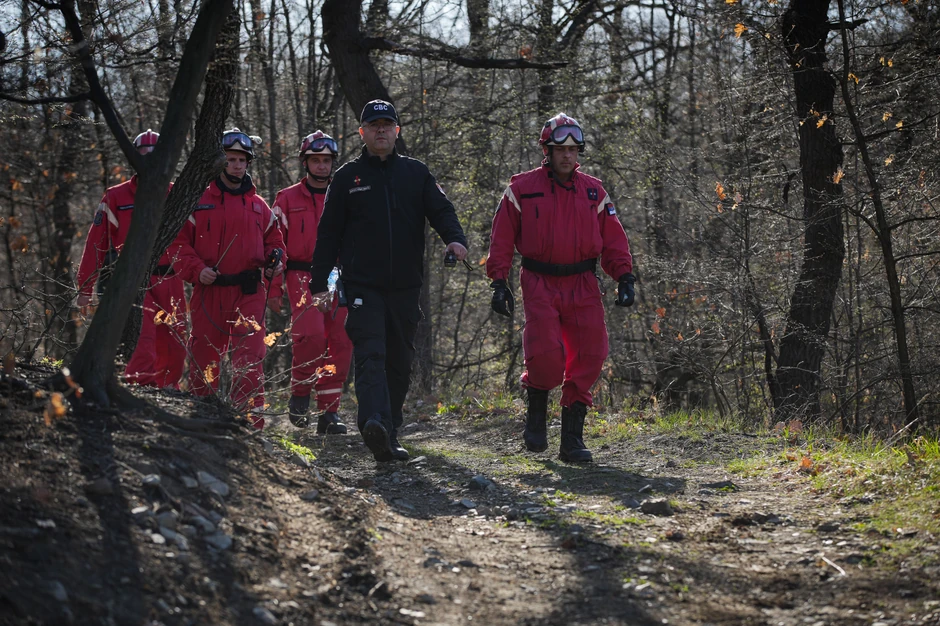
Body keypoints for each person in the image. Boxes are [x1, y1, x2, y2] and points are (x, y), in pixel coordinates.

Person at [309, 99, 468, 462]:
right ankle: (373, 423)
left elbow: (441, 210)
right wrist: (320, 283)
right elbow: (328, 234)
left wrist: (455, 239)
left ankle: (389, 430)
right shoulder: (347, 178)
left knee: (399, 361)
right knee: (371, 354)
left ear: (397, 131)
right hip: (363, 286)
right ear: (362, 132)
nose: (381, 130)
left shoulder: (416, 173)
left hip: (406, 287)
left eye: (387, 124)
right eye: (373, 125)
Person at [486, 113, 635, 463]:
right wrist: (499, 282)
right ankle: (536, 409)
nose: (567, 156)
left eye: (572, 149)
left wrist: (624, 277)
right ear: (547, 151)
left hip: (583, 282)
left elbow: (614, 241)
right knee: (547, 355)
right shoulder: (521, 189)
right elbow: (502, 240)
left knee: (590, 354)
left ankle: (572, 440)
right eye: (559, 149)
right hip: (539, 281)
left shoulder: (594, 192)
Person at [169, 128, 285, 429]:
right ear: (220, 162)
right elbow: (177, 245)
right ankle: (204, 419)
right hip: (209, 291)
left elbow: (276, 243)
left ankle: (250, 423)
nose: (236, 165)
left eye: (241, 159)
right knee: (204, 356)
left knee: (250, 358)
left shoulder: (260, 206)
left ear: (248, 163)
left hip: (249, 290)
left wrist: (275, 262)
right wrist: (197, 270)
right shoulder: (196, 201)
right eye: (231, 159)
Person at [75, 129, 187, 389]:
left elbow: (198, 238)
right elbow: (96, 244)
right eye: (143, 156)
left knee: (176, 343)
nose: (149, 161)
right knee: (143, 341)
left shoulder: (179, 195)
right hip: (134, 280)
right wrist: (85, 286)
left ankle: (167, 390)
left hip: (171, 279)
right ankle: (141, 391)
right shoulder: (116, 196)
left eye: (155, 156)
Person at [269, 130, 352, 434]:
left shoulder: (345, 194)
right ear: (305, 162)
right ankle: (300, 392)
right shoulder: (287, 198)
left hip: (339, 276)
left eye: (326, 160)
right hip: (300, 275)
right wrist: (274, 288)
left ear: (333, 163)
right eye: (315, 160)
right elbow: (274, 244)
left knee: (341, 342)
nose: (321, 166)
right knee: (312, 336)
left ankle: (329, 413)